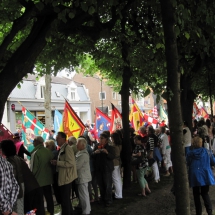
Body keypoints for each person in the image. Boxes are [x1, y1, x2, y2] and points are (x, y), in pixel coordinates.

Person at [51, 132, 77, 215]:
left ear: (63, 139)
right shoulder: (63, 148)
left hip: (66, 177)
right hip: (63, 177)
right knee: (65, 200)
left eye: (58, 138)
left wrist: (58, 163)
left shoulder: (67, 148)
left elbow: (70, 163)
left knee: (65, 200)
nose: (56, 139)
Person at [186, 136, 215, 215]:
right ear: (201, 143)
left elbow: (187, 163)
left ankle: (198, 212)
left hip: (194, 175)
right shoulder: (207, 152)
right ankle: (209, 211)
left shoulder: (189, 153)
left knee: (196, 195)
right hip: (205, 175)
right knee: (205, 193)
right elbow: (213, 161)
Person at [30, 136, 54, 215]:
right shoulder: (48, 151)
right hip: (48, 179)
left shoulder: (35, 153)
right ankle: (51, 212)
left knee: (39, 201)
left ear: (37, 142)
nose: (33, 143)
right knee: (49, 198)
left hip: (38, 181)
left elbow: (34, 169)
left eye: (34, 141)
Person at [1, 140, 24, 215]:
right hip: (17, 191)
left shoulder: (9, 162)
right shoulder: (11, 160)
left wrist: (6, 208)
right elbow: (15, 185)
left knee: (18, 210)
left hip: (7, 204)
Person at [92, 132, 115, 207]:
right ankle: (102, 198)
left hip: (107, 168)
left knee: (108, 184)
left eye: (102, 138)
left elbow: (112, 156)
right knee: (101, 185)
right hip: (98, 168)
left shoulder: (109, 147)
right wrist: (95, 153)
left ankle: (108, 199)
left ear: (106, 140)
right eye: (100, 138)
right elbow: (92, 155)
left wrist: (107, 153)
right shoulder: (96, 146)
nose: (100, 140)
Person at [75, 138, 92, 215]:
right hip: (83, 176)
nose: (76, 145)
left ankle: (86, 211)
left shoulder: (82, 155)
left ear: (82, 145)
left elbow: (77, 166)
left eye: (77, 143)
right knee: (84, 194)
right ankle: (87, 209)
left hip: (82, 177)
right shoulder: (81, 153)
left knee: (83, 195)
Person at [111, 132, 123, 199]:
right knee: (118, 179)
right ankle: (119, 193)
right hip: (118, 162)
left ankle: (118, 195)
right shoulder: (119, 145)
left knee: (116, 179)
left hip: (115, 163)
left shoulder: (114, 146)